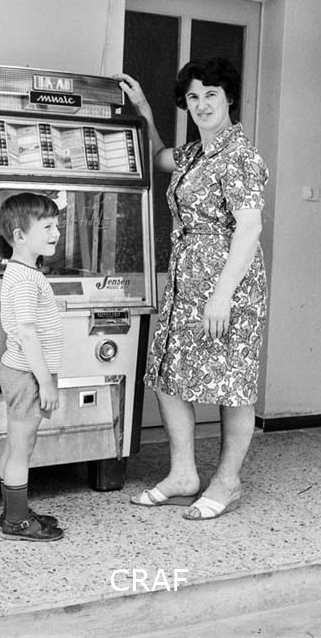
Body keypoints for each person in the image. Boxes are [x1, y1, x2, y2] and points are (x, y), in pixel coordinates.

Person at [117, 58, 268, 520]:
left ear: (229, 98)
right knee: (168, 374)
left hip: (229, 285)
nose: (202, 104)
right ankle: (183, 474)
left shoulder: (241, 156)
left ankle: (227, 481)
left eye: (211, 95)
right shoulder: (195, 154)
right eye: (193, 96)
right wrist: (144, 108)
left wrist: (221, 295)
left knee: (231, 384)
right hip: (185, 282)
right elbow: (158, 156)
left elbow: (249, 229)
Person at [0, 192, 64, 541]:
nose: (56, 233)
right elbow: (26, 333)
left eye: (57, 225)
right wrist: (46, 381)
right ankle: (16, 521)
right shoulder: (24, 279)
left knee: (17, 443)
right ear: (20, 235)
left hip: (22, 372)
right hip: (27, 375)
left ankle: (14, 510)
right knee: (22, 447)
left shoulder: (25, 272)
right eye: (47, 227)